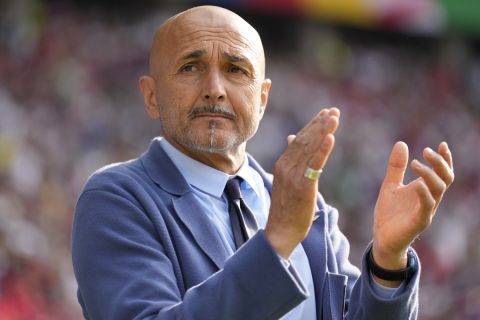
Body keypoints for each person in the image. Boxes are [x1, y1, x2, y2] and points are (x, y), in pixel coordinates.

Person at [71, 5, 454, 320]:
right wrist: (276, 242)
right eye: (191, 67)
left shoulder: (308, 206)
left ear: (262, 98)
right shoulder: (116, 199)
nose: (215, 89)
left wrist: (388, 261)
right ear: (151, 96)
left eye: (236, 70)